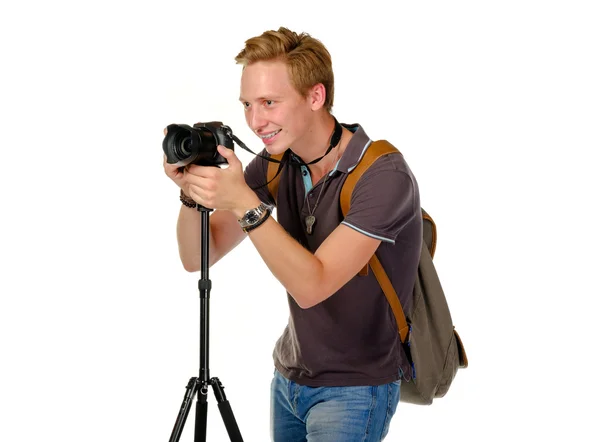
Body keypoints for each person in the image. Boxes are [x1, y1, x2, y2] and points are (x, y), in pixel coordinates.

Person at [163, 27, 423, 442]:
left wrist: (244, 203)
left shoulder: (382, 174)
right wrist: (191, 193)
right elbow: (198, 255)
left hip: (354, 390)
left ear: (315, 96)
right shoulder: (274, 162)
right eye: (247, 104)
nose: (255, 121)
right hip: (289, 380)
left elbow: (312, 284)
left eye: (269, 102)